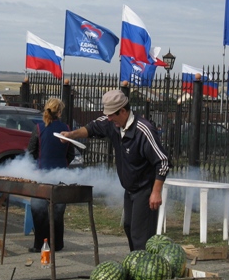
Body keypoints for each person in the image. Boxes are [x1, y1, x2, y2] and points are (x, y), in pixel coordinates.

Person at [60, 90, 170, 251]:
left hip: (145, 189)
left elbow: (163, 161)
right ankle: (136, 263)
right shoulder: (112, 122)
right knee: (129, 226)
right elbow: (92, 128)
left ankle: (143, 268)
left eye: (112, 115)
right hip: (130, 189)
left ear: (123, 111)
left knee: (141, 234)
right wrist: (72, 134)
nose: (109, 119)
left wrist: (156, 192)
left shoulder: (143, 130)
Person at [26, 98, 75, 252]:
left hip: (41, 175)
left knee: (38, 210)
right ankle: (57, 244)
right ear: (59, 112)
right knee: (57, 212)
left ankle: (40, 244)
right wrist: (62, 165)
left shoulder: (39, 128)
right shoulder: (66, 128)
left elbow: (31, 151)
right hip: (61, 176)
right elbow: (71, 154)